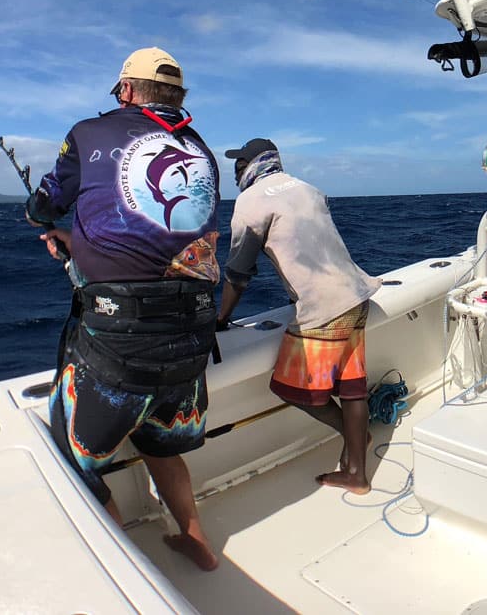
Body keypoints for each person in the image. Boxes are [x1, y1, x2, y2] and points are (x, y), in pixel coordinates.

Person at [26, 46, 222, 571]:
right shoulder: (200, 149)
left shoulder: (89, 133)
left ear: (129, 91)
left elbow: (45, 201)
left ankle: (126, 577)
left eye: (119, 92)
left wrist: (45, 221)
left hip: (119, 343)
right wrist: (79, 238)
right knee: (160, 445)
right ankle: (198, 542)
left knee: (72, 462)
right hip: (191, 342)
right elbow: (162, 235)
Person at [215, 138, 382, 494]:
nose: (235, 171)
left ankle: (356, 441)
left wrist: (221, 318)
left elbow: (238, 273)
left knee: (291, 389)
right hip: (357, 294)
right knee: (353, 389)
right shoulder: (308, 189)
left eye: (238, 164)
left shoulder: (249, 201)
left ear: (250, 165)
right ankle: (357, 472)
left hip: (323, 312)